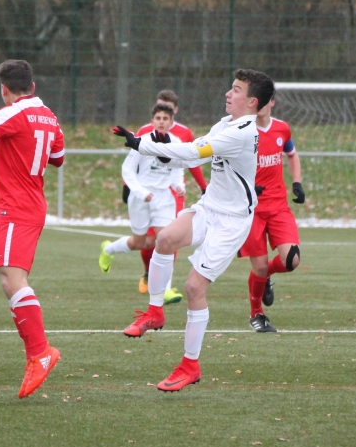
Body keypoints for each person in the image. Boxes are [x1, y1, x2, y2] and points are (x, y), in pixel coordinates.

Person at [113, 69, 269, 392]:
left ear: (252, 102)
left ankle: (190, 365)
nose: (228, 93)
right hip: (210, 207)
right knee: (165, 238)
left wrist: (142, 145)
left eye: (236, 89)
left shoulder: (241, 132)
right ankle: (155, 312)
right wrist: (160, 149)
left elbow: (192, 152)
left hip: (232, 221)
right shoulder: (225, 124)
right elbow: (190, 157)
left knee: (194, 287)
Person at [0, 60, 66, 399]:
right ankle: (37, 353)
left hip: (16, 206)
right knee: (11, 279)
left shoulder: (13, 112)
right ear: (32, 86)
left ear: (4, 90)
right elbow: (58, 157)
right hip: (32, 204)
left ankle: (40, 353)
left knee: (12, 280)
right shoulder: (48, 115)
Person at [99, 103, 184, 304]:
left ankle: (166, 290)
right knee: (141, 243)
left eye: (165, 118)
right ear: (152, 121)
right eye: (158, 118)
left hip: (164, 199)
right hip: (141, 197)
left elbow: (177, 169)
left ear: (171, 122)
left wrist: (179, 185)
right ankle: (108, 249)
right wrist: (140, 191)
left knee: (166, 240)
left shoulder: (176, 142)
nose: (161, 122)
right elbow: (128, 170)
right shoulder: (143, 141)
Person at [130, 89, 207, 295]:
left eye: (168, 110)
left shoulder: (184, 133)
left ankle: (166, 286)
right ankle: (149, 272)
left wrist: (203, 186)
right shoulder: (144, 131)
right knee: (147, 241)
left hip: (172, 191)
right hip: (148, 191)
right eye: (159, 109)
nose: (162, 115)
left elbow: (191, 162)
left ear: (175, 111)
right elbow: (133, 161)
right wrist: (128, 188)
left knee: (168, 237)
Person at [238, 94, 304, 333]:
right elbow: (226, 164)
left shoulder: (282, 129)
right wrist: (245, 187)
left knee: (292, 260)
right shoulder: (241, 131)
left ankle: (265, 277)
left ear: (272, 102)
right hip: (251, 210)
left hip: (278, 207)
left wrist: (297, 182)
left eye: (266, 99)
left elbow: (292, 154)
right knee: (259, 267)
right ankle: (256, 314)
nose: (260, 105)